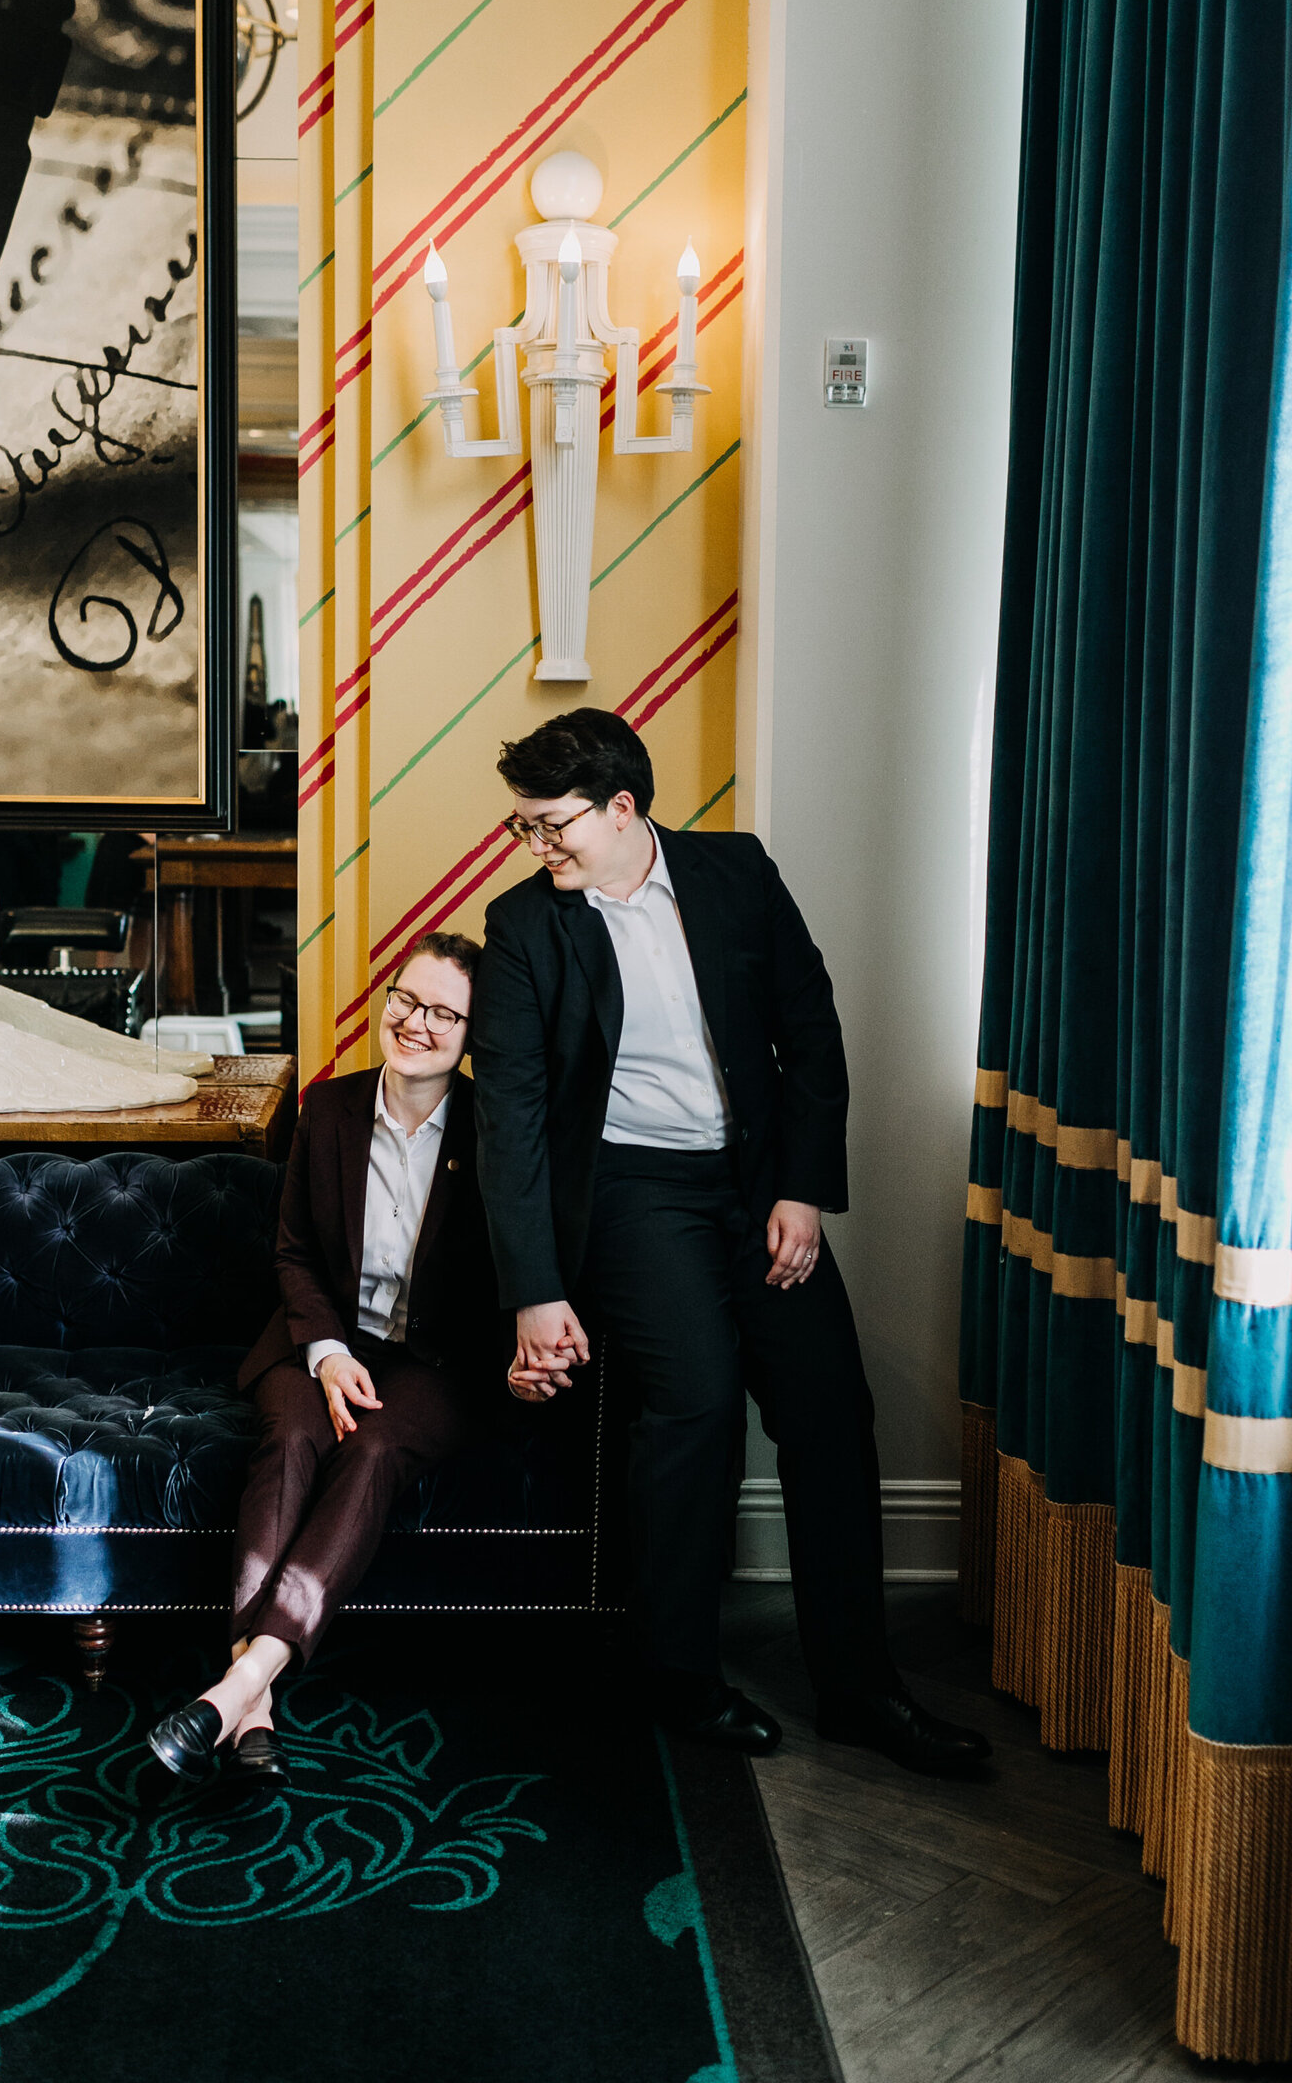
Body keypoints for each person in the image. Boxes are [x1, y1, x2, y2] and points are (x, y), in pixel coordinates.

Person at [473, 709, 990, 1777]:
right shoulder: (526, 928)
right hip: (631, 1191)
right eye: (521, 829)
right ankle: (681, 1675)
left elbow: (809, 1030)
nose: (534, 848)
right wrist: (534, 1290)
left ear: (623, 809)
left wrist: (803, 1193)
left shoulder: (736, 872)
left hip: (755, 1183)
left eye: (549, 826)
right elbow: (510, 1119)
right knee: (697, 1401)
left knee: (830, 1411)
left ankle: (860, 1689)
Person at [148, 930, 499, 1787]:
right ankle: (253, 1701)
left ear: (473, 1034)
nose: (416, 1023)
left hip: (435, 1364)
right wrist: (330, 1353)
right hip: (320, 1339)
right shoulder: (331, 1111)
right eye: (407, 1001)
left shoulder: (496, 1133)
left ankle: (238, 1686)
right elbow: (296, 1254)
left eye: (443, 1012)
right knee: (293, 1443)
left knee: (374, 1449)